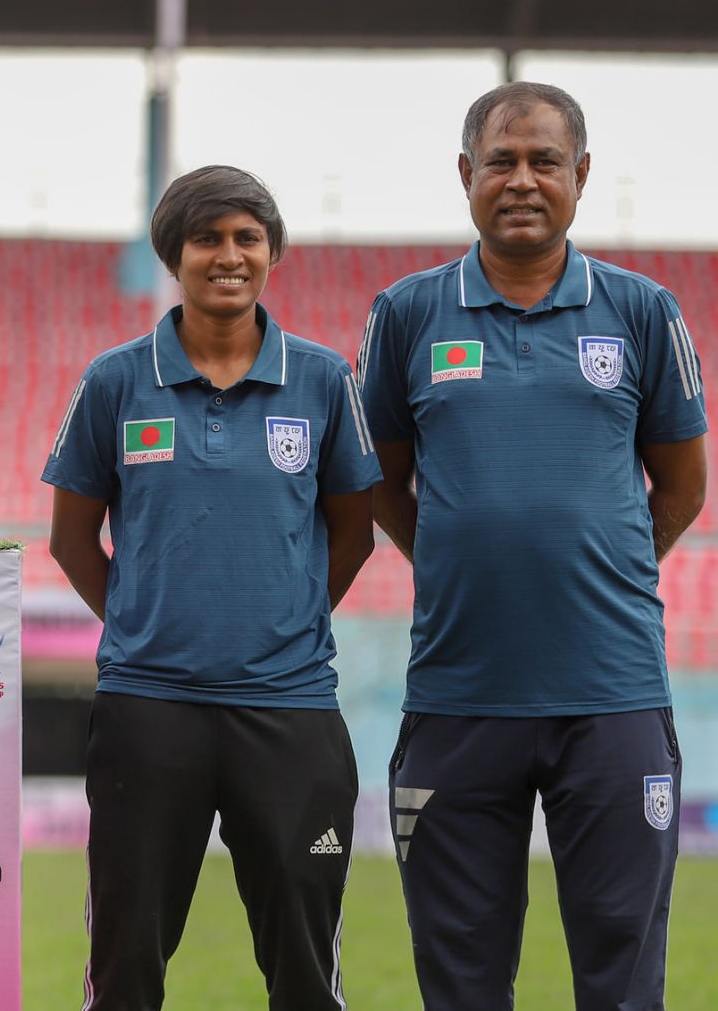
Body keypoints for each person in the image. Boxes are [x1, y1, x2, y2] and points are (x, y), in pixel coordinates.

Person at [358, 81, 707, 1010]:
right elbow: (380, 481)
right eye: (500, 161)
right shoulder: (406, 314)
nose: (521, 180)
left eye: (544, 161)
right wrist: (456, 557)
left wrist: (610, 564)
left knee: (625, 978)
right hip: (459, 695)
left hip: (613, 696)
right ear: (465, 176)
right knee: (462, 983)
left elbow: (681, 484)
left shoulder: (641, 311)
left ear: (580, 176)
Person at [43, 165, 380, 1011]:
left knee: (306, 969)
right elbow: (70, 537)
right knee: (125, 966)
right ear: (175, 254)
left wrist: (286, 617)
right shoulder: (116, 380)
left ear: (271, 253)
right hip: (148, 710)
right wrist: (141, 621)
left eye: (247, 238)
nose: (228, 255)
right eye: (207, 238)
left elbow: (353, 531)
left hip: (291, 711)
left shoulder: (322, 379)